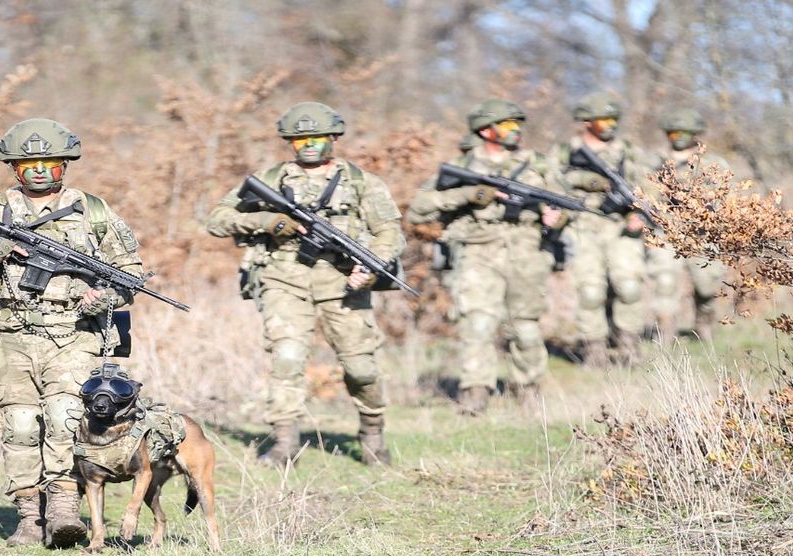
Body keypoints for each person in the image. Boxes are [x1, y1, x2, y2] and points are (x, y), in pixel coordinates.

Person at [0, 118, 144, 549]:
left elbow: (130, 275)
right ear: (13, 167)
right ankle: (29, 516)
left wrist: (102, 298)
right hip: (6, 334)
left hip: (73, 334)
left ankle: (65, 509)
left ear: (65, 165)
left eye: (49, 162)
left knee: (64, 418)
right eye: (27, 163)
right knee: (19, 425)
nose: (38, 171)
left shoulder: (94, 211)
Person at [205, 102, 405, 467]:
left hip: (344, 284)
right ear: (289, 143)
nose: (308, 146)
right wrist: (268, 222)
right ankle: (285, 444)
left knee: (361, 368)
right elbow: (218, 219)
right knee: (287, 359)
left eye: (316, 138)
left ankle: (372, 433)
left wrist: (371, 266)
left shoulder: (361, 182)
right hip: (284, 281)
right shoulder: (270, 178)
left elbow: (390, 232)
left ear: (334, 137)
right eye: (299, 140)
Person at [407, 99, 568, 414]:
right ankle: (475, 392)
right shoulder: (464, 167)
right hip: (478, 253)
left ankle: (528, 390)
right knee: (477, 324)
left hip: (527, 252)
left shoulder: (538, 164)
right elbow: (419, 208)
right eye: (507, 125)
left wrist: (557, 219)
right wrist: (469, 195)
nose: (515, 131)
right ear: (485, 130)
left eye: (517, 125)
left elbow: (564, 206)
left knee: (525, 327)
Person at [553, 93, 651, 366]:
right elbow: (552, 183)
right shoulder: (565, 152)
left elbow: (647, 186)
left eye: (613, 119)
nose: (610, 125)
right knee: (591, 292)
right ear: (586, 122)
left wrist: (639, 214)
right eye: (603, 120)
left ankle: (629, 347)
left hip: (620, 228)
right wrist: (588, 181)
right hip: (582, 228)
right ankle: (594, 350)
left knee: (630, 287)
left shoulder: (628, 151)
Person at [648, 107, 730, 341]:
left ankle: (703, 328)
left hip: (702, 231)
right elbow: (643, 193)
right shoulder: (654, 162)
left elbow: (726, 197)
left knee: (707, 286)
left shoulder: (713, 163)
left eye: (685, 132)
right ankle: (665, 334)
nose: (679, 138)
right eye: (674, 133)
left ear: (696, 134)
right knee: (664, 281)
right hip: (666, 229)